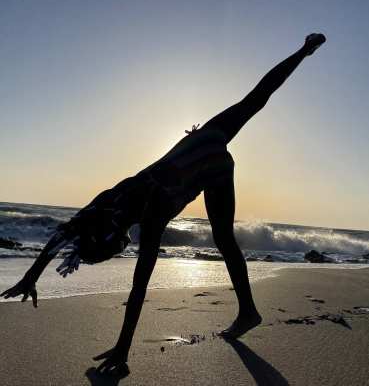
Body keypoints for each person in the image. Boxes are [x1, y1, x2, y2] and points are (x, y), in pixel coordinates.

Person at [1, 33, 326, 375]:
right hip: (199, 141)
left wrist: (124, 349)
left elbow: (139, 285)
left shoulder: (151, 216)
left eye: (116, 250)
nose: (124, 247)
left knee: (225, 235)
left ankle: (248, 311)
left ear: (113, 241)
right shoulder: (110, 199)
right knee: (254, 102)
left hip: (213, 168)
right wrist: (31, 275)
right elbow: (67, 232)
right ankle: (247, 311)